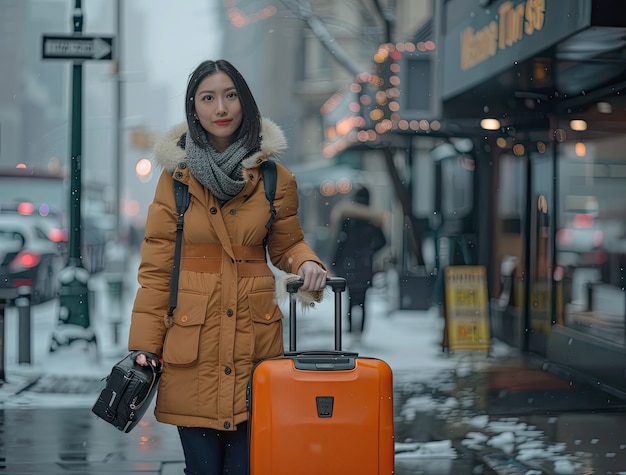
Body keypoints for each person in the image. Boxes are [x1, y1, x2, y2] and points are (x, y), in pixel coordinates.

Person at [127, 59, 327, 475]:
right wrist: (145, 344)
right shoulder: (176, 178)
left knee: (248, 468)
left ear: (245, 102)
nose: (221, 107)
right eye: (208, 97)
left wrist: (306, 262)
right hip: (193, 343)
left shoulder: (275, 178)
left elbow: (288, 244)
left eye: (230, 95)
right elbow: (158, 267)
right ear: (194, 109)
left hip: (254, 341)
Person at [330, 186, 387, 339]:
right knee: (363, 299)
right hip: (365, 264)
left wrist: (334, 262)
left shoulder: (347, 219)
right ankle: (360, 330)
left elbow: (340, 243)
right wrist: (370, 251)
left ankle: (350, 329)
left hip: (350, 263)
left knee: (350, 296)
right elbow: (383, 241)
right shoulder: (373, 220)